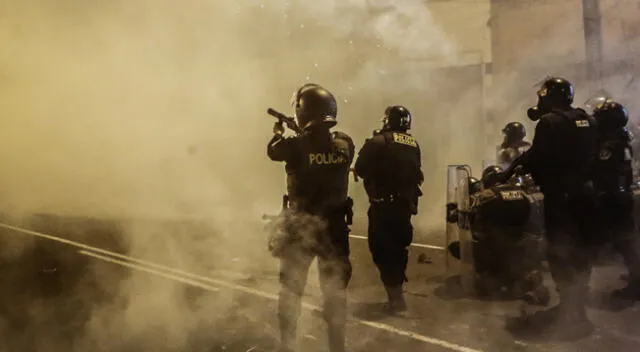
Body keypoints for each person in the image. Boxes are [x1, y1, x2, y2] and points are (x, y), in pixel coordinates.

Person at [502, 77, 598, 336]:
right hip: (587, 198)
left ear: (549, 97)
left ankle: (569, 311)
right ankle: (578, 309)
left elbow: (537, 158)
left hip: (562, 199)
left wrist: (510, 170)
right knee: (581, 252)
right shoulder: (587, 119)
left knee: (562, 252)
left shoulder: (549, 123)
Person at [267, 83, 355, 352]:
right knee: (335, 295)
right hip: (334, 229)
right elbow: (321, 147)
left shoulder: (293, 147)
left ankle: (288, 346)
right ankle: (337, 347)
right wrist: (305, 134)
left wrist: (280, 130)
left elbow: (273, 150)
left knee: (291, 292)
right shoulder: (345, 143)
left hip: (300, 229)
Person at [354, 105, 423, 314]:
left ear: (387, 121)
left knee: (381, 250)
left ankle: (396, 300)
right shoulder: (413, 143)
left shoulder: (377, 142)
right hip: (404, 207)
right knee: (399, 249)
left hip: (383, 206)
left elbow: (360, 169)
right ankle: (397, 296)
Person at [590, 98, 640, 301]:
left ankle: (637, 283)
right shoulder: (623, 139)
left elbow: (600, 169)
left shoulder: (609, 145)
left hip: (613, 197)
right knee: (626, 240)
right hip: (621, 195)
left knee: (624, 242)